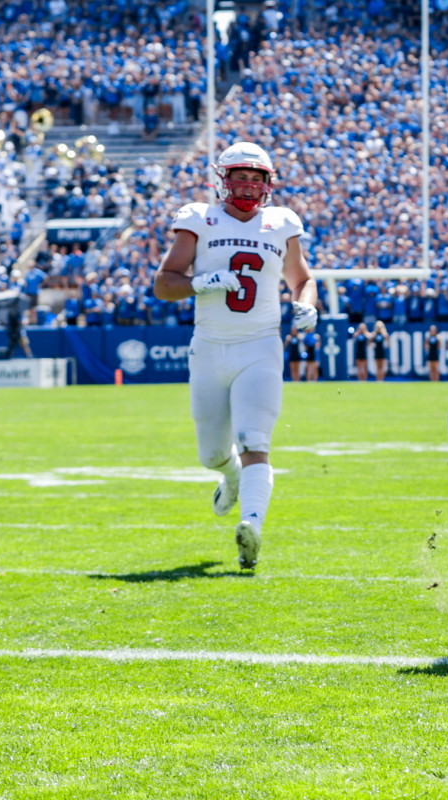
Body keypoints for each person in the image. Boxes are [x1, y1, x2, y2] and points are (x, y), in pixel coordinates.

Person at [153, 141, 317, 570]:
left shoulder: (281, 223)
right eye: (240, 177)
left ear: (268, 184)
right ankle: (229, 477)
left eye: (256, 178)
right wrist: (201, 282)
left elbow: (301, 278)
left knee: (254, 440)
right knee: (211, 453)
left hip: (260, 345)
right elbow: (164, 284)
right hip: (208, 348)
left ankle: (252, 526)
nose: (248, 185)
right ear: (222, 180)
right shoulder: (199, 219)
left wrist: (307, 304)